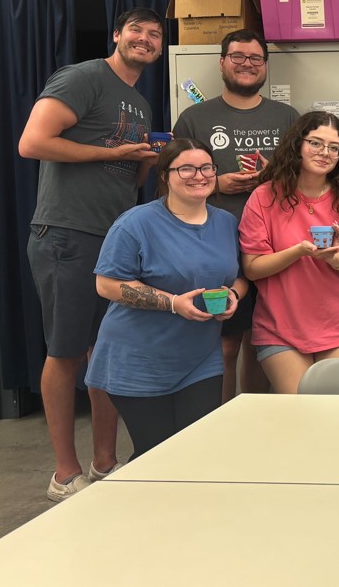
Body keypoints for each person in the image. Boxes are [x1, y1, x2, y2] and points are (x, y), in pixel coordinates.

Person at [19, 7, 164, 501]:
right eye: (137, 31)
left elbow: (125, 177)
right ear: (117, 35)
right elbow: (33, 142)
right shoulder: (84, 77)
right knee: (65, 352)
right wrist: (112, 154)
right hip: (67, 233)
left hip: (115, 240)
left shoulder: (139, 103)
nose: (145, 39)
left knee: (107, 353)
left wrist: (144, 163)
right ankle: (65, 474)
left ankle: (105, 463)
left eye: (155, 35)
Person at [85, 138, 247, 459]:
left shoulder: (226, 223)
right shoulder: (135, 224)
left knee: (196, 452)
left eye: (205, 167)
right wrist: (172, 303)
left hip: (200, 360)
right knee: (156, 456)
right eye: (185, 168)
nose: (197, 175)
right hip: (139, 361)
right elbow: (107, 284)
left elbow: (240, 276)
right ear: (165, 174)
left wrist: (234, 295)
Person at [172, 28, 300, 401]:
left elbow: (306, 176)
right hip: (218, 248)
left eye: (255, 59)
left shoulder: (287, 116)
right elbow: (171, 186)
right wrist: (216, 185)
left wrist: (271, 176)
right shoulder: (195, 118)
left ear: (265, 66)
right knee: (226, 347)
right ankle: (223, 421)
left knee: (268, 344)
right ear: (222, 63)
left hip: (278, 248)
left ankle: (259, 422)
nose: (247, 65)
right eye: (238, 57)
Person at [238, 112, 339, 393]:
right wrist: (298, 252)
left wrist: (335, 259)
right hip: (280, 327)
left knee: (337, 415)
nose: (325, 153)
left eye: (333, 147)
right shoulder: (264, 197)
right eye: (316, 143)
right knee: (300, 411)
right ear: (298, 144)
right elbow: (253, 268)